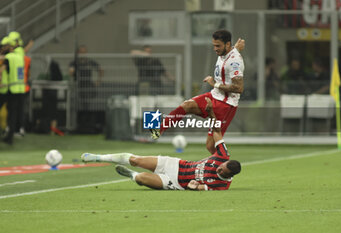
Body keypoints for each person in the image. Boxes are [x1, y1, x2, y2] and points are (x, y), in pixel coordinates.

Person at [81, 97, 241, 191]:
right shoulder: (222, 155)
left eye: (221, 170)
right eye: (222, 165)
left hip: (175, 183)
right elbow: (217, 132)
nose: (218, 167)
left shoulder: (221, 185)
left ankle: (131, 175)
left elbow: (200, 188)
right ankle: (98, 157)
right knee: (136, 160)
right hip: (176, 165)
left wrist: (194, 186)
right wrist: (211, 113)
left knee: (142, 179)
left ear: (228, 175)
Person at [150, 30, 245, 154]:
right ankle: (157, 132)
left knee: (211, 146)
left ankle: (226, 171)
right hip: (213, 96)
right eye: (214, 45)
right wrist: (236, 47)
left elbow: (239, 88)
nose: (215, 49)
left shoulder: (234, 62)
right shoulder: (226, 51)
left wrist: (214, 83)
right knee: (186, 105)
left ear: (227, 45)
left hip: (225, 105)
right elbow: (231, 52)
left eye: (218, 46)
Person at [69, 45, 104, 133]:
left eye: (84, 52)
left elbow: (101, 69)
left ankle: (89, 125)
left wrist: (98, 81)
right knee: (79, 105)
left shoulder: (90, 62)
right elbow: (70, 72)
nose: (83, 54)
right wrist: (72, 72)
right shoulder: (74, 62)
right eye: (81, 52)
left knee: (88, 105)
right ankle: (79, 124)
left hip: (89, 86)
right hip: (78, 86)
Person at [0, 37, 25, 145]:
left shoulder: (8, 58)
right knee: (13, 114)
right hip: (19, 88)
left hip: (7, 88)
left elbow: (2, 69)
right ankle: (10, 137)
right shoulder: (19, 57)